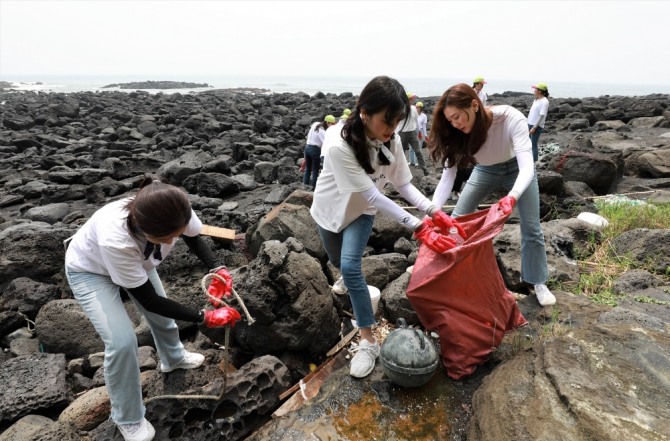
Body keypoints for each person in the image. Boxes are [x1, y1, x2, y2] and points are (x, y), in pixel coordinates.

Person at [64, 176, 241, 441]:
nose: (175, 239)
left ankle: (173, 358)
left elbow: (193, 236)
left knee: (161, 317)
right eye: (169, 237)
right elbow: (149, 301)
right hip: (90, 271)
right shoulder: (116, 240)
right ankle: (128, 418)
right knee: (122, 342)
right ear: (148, 233)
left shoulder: (173, 205)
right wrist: (204, 317)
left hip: (138, 263)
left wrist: (217, 268)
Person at [310, 76, 465, 378]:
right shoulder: (340, 146)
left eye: (396, 121)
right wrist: (419, 227)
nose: (392, 129)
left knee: (352, 268)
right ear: (365, 112)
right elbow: (372, 192)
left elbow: (403, 185)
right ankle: (346, 281)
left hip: (362, 213)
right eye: (387, 121)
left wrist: (434, 211)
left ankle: (367, 340)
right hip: (328, 211)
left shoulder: (390, 141)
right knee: (337, 262)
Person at [427, 83, 556, 307]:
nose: (456, 124)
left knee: (531, 226)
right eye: (450, 120)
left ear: (474, 105)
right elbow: (448, 177)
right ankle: (440, 266)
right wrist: (432, 211)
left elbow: (527, 166)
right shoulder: (458, 133)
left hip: (517, 169)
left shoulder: (508, 117)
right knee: (457, 218)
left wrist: (512, 196)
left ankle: (537, 282)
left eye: (458, 116)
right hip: (485, 170)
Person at [395, 92, 431, 175]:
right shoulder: (401, 108)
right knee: (401, 152)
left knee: (418, 151)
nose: (414, 100)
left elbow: (416, 121)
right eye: (412, 98)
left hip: (412, 132)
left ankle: (424, 169)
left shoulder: (414, 109)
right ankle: (399, 171)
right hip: (402, 133)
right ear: (408, 99)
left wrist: (418, 132)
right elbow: (397, 121)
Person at [303, 115, 337, 189]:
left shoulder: (315, 124)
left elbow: (309, 135)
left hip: (307, 147)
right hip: (315, 150)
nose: (333, 125)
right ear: (328, 123)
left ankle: (304, 186)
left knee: (308, 169)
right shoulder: (323, 131)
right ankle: (313, 187)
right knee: (315, 170)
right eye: (332, 124)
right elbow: (325, 144)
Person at [527, 82, 550, 162]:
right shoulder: (536, 100)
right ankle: (529, 160)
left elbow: (541, 116)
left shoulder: (545, 101)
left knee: (533, 144)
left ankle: (534, 162)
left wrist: (534, 127)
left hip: (536, 126)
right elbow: (532, 113)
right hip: (530, 123)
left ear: (540, 91)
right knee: (528, 144)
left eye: (535, 89)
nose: (534, 90)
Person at [411, 101, 428, 166]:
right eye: (416, 107)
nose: (417, 108)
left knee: (418, 147)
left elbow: (424, 126)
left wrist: (425, 135)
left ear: (421, 108)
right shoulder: (413, 114)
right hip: (413, 130)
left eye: (418, 107)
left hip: (420, 131)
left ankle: (417, 162)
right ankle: (412, 161)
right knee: (411, 148)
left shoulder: (424, 116)